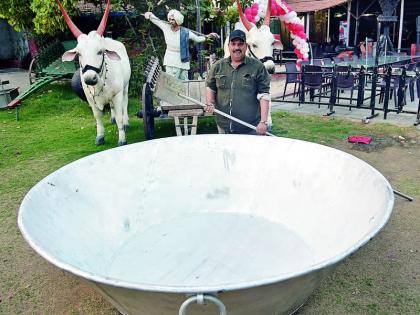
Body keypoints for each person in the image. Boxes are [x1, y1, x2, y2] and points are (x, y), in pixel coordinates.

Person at [204, 29, 271, 135]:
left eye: (240, 44)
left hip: (250, 128)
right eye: (233, 44)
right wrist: (210, 102)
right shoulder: (218, 66)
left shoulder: (257, 67)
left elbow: (264, 95)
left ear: (246, 46)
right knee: (225, 152)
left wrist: (263, 122)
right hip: (223, 126)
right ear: (228, 46)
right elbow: (210, 86)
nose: (236, 48)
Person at [144, 9, 219, 80]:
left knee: (184, 81)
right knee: (171, 82)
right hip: (170, 60)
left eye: (173, 19)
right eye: (169, 19)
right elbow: (157, 21)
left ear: (178, 20)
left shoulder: (185, 32)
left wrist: (208, 36)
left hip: (183, 61)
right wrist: (150, 14)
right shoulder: (165, 27)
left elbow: (197, 39)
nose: (170, 21)